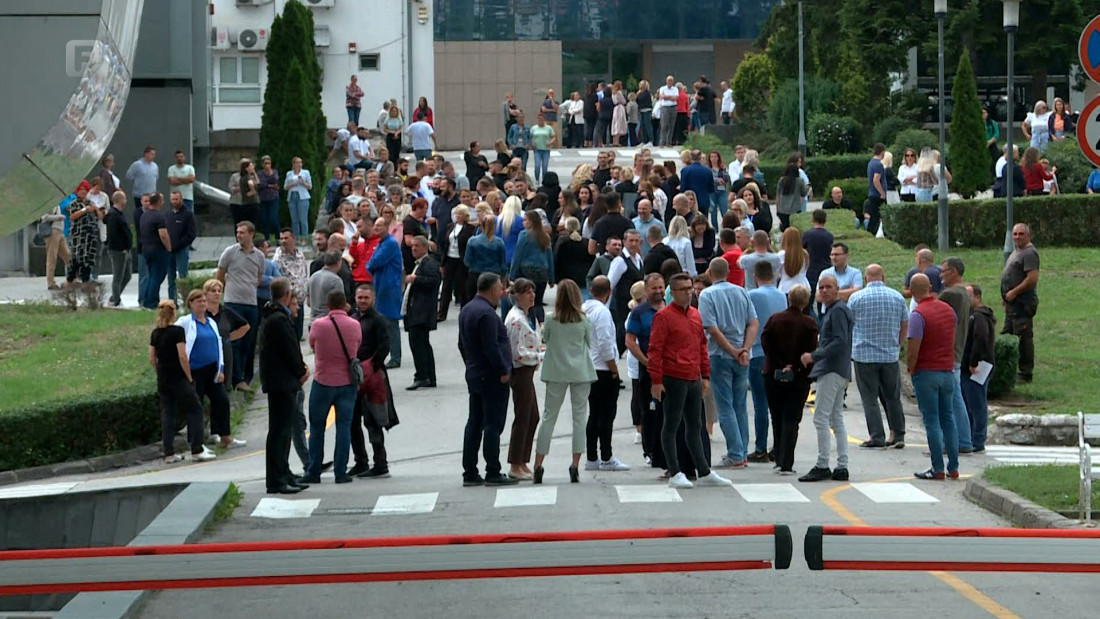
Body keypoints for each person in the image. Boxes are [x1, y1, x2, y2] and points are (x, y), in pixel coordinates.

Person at [648, 273, 733, 489]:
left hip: (693, 376)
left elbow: (701, 345)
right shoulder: (664, 316)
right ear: (673, 292)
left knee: (695, 425)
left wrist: (705, 375)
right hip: (673, 377)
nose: (689, 292)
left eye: (690, 288)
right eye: (684, 289)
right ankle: (675, 471)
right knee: (672, 425)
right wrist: (656, 380)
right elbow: (655, 350)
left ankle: (703, 470)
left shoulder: (695, 315)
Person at [532, 279, 596, 484]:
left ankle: (538, 464)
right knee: (579, 418)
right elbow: (589, 342)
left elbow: (545, 340)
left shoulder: (551, 319)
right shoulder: (584, 319)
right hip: (580, 371)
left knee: (549, 417)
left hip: (556, 371)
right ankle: (575, 464)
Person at [698, 257, 759, 470]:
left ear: (709, 272)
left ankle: (735, 452)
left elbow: (712, 329)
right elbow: (753, 322)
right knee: (740, 405)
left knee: (725, 405)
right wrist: (745, 348)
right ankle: (741, 450)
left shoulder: (707, 294)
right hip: (742, 355)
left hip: (719, 355)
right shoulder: (741, 291)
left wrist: (732, 351)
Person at [459, 273, 519, 487]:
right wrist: (503, 369)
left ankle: (470, 471)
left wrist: (470, 364)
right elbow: (491, 346)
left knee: (474, 422)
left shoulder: (467, 309)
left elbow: (462, 344)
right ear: (492, 290)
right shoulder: (487, 314)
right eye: (500, 289)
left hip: (475, 373)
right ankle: (493, 470)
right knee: (493, 424)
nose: (502, 293)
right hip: (491, 376)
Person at [301, 289, 362, 485]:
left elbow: (312, 345)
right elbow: (357, 345)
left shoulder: (318, 325)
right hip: (347, 383)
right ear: (345, 304)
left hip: (323, 381)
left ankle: (313, 471)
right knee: (344, 427)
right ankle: (341, 472)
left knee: (317, 428)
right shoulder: (355, 325)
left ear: (327, 306)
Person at [797, 275, 853, 482]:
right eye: (821, 287)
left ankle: (823, 464)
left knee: (821, 417)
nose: (824, 290)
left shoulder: (837, 310)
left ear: (837, 289)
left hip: (831, 369)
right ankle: (842, 465)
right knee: (835, 417)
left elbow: (839, 341)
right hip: (840, 369)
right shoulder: (835, 310)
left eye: (829, 287)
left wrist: (814, 355)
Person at [848, 264, 908, 449]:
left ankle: (877, 436)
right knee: (892, 397)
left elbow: (849, 324)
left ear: (866, 278)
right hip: (889, 355)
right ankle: (898, 434)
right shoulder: (897, 297)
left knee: (869, 398)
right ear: (883, 277)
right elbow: (904, 323)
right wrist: (898, 343)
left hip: (864, 355)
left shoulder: (856, 298)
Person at [259, 278, 310, 494]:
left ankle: (285, 472)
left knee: (284, 431)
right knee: (279, 432)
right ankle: (276, 480)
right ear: (287, 295)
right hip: (282, 382)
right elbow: (289, 349)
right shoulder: (278, 319)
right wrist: (301, 370)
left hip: (280, 381)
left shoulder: (274, 316)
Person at [761, 285, 818, 475]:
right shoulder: (809, 324)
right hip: (799, 377)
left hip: (773, 373)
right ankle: (787, 462)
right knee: (791, 419)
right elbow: (811, 350)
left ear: (789, 298)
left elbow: (766, 343)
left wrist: (779, 364)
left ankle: (778, 455)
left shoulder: (774, 319)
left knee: (776, 416)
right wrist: (795, 366)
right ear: (805, 301)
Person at [907, 274, 959, 481]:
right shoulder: (948, 310)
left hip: (926, 372)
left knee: (932, 420)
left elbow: (913, 350)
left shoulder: (918, 314)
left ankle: (937, 468)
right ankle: (953, 466)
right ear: (930, 287)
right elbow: (952, 337)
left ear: (911, 291)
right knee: (948, 418)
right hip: (947, 371)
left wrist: (911, 369)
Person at [149, 300, 212, 465]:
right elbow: (182, 356)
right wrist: (189, 377)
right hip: (178, 378)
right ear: (173, 312)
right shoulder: (177, 331)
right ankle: (197, 449)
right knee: (196, 409)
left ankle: (169, 453)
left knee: (168, 414)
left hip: (163, 379)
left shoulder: (155, 333)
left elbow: (151, 358)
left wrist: (159, 371)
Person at [176, 289, 236, 452]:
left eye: (204, 301)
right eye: (198, 301)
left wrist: (221, 368)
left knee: (222, 400)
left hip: (212, 369)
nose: (202, 304)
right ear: (191, 304)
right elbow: (175, 338)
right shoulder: (185, 322)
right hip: (195, 371)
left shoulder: (211, 322)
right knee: (197, 406)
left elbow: (218, 346)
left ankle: (224, 435)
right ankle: (196, 441)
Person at [348, 283, 398, 479]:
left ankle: (380, 463)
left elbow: (385, 346)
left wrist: (371, 367)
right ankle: (360, 461)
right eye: (359, 298)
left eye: (366, 298)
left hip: (373, 378)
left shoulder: (379, 320)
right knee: (352, 421)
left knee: (373, 421)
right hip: (355, 379)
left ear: (373, 299)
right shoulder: (352, 319)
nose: (362, 301)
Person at [581, 276, 628, 472]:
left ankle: (592, 457)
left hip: (589, 368)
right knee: (607, 415)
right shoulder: (602, 312)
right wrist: (614, 369)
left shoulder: (584, 309)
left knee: (594, 414)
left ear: (591, 290)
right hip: (603, 369)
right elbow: (605, 343)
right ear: (609, 292)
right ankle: (606, 456)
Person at [745, 260, 787, 462]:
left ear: (755, 276)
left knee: (760, 402)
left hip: (757, 351)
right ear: (773, 275)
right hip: (778, 353)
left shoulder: (751, 295)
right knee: (777, 402)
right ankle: (778, 444)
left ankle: (760, 446)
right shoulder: (781, 295)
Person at [216, 221, 265, 390]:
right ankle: (236, 378)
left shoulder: (259, 256)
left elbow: (259, 278)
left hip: (250, 302)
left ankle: (247, 376)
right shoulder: (230, 252)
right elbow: (220, 275)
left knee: (250, 341)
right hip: (233, 302)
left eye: (243, 232)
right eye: (238, 232)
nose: (239, 235)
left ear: (251, 234)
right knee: (235, 340)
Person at [503, 278, 542, 480]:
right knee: (523, 416)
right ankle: (515, 463)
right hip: (520, 372)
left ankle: (522, 461)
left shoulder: (526, 316)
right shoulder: (516, 320)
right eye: (527, 292)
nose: (532, 295)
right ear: (517, 295)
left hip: (527, 370)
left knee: (532, 416)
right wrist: (540, 356)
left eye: (533, 291)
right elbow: (517, 353)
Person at [939, 257, 974, 453]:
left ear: (953, 272)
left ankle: (956, 441)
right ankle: (963, 440)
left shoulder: (951, 294)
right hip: (956, 352)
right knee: (955, 398)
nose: (941, 274)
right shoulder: (964, 293)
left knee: (949, 400)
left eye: (943, 271)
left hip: (947, 353)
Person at [1001, 223, 1040, 384]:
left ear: (1028, 236)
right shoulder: (1017, 252)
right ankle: (1008, 370)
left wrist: (1014, 292)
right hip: (1011, 303)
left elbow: (1032, 279)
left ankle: (1025, 373)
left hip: (1022, 303)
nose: (1017, 237)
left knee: (1023, 338)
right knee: (1008, 335)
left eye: (1021, 234)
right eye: (1015, 234)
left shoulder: (1029, 253)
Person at [402, 236, 442, 390]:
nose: (413, 249)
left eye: (417, 246)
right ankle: (428, 376)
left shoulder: (429, 264)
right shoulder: (419, 264)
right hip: (417, 312)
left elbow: (434, 281)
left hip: (421, 312)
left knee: (418, 344)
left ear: (425, 247)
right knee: (422, 344)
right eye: (412, 246)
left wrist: (416, 279)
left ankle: (422, 376)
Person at [366, 217, 405, 369]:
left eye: (379, 225)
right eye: (375, 225)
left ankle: (395, 357)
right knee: (385, 322)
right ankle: (388, 354)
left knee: (391, 322)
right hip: (382, 286)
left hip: (389, 288)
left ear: (387, 227)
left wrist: (370, 265)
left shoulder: (390, 244)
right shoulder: (382, 243)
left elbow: (375, 262)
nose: (376, 228)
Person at [963, 284, 996, 453]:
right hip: (981, 364)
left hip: (978, 366)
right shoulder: (976, 315)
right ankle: (972, 436)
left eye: (968, 295)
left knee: (976, 402)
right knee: (973, 400)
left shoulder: (979, 316)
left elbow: (981, 337)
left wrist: (973, 361)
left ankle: (977, 438)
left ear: (977, 297)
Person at [138, 193, 172, 308]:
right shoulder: (159, 217)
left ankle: (146, 299)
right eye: (162, 200)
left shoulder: (144, 216)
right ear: (158, 202)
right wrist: (168, 248)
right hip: (158, 249)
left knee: (152, 275)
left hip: (146, 248)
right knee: (157, 276)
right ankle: (152, 302)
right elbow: (163, 234)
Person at [66, 181, 103, 287]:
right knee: (77, 258)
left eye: (85, 189)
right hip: (79, 236)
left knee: (89, 259)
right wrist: (84, 210)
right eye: (81, 189)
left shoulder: (90, 202)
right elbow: (72, 216)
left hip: (90, 236)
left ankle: (86, 282)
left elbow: (100, 216)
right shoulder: (74, 203)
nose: (83, 192)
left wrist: (96, 209)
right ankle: (70, 280)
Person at [275, 228, 309, 339]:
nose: (283, 241)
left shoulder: (300, 255)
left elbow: (304, 274)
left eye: (286, 238)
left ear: (294, 239)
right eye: (281, 238)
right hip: (288, 300)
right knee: (290, 334)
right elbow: (278, 278)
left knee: (298, 332)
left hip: (300, 299)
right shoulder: (278, 258)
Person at [164, 191, 197, 303]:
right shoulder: (167, 214)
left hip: (181, 250)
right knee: (170, 278)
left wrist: (181, 244)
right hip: (169, 251)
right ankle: (172, 301)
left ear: (181, 199)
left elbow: (191, 233)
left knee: (183, 277)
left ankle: (186, 300)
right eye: (173, 199)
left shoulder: (188, 214)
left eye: (176, 199)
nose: (174, 201)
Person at [103, 190, 132, 306]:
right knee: (118, 276)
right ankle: (115, 300)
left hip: (125, 249)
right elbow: (113, 234)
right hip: (118, 251)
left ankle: (115, 296)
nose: (126, 201)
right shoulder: (113, 215)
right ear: (119, 200)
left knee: (127, 275)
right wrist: (121, 248)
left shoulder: (119, 214)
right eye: (124, 198)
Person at [801, 209, 834, 298]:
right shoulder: (829, 236)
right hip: (826, 268)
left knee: (810, 298)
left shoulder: (807, 235)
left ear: (813, 219)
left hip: (811, 268)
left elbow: (802, 250)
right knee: (823, 296)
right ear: (825, 220)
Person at [283, 157, 312, 242]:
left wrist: (302, 182)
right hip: (292, 196)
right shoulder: (289, 173)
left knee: (303, 219)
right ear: (293, 164)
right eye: (297, 162)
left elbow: (310, 186)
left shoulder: (305, 172)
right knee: (294, 219)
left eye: (301, 162)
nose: (299, 164)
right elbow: (285, 187)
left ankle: (304, 237)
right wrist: (292, 184)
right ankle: (295, 237)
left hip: (302, 197)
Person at [776, 154, 808, 232]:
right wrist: (807, 188)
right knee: (795, 230)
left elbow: (778, 196)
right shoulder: (800, 181)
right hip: (795, 209)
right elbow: (803, 193)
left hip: (783, 209)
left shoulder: (782, 180)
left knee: (785, 230)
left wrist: (777, 209)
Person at [777, 227, 810, 294]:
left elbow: (777, 273)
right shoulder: (804, 254)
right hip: (804, 287)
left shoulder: (781, 255)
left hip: (785, 287)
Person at [125, 146, 158, 210]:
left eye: (154, 154)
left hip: (151, 195)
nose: (153, 156)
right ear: (146, 154)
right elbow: (129, 176)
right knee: (140, 213)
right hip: (140, 195)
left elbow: (156, 178)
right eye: (152, 154)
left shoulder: (155, 166)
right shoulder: (137, 165)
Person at [256, 156, 281, 241]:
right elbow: (260, 184)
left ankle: (278, 237)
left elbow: (275, 180)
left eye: (268, 163)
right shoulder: (259, 173)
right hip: (263, 199)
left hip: (273, 198)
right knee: (264, 219)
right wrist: (270, 185)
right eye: (265, 163)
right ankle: (267, 238)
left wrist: (270, 172)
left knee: (273, 218)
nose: (267, 165)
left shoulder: (274, 172)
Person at [530, 112, 556, 183]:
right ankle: (537, 179)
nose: (540, 121)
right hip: (537, 149)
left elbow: (553, 137)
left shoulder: (548, 128)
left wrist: (550, 142)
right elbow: (530, 137)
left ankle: (544, 180)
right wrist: (532, 143)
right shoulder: (534, 128)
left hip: (546, 149)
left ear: (544, 120)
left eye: (542, 119)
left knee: (545, 166)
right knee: (537, 165)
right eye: (539, 119)